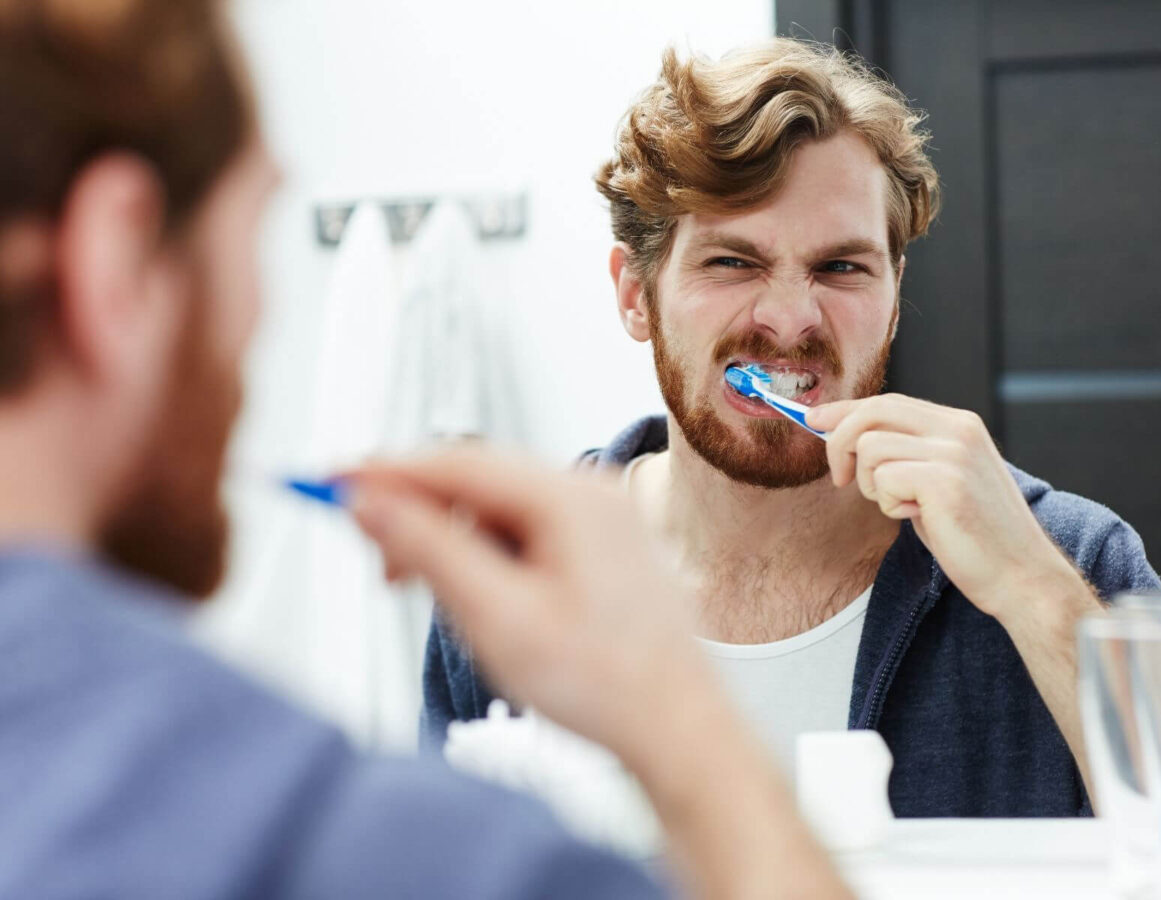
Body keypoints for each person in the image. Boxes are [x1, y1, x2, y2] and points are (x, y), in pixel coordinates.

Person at [0, 2, 851, 897]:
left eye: (843, 265)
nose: (259, 316)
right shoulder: (332, 845)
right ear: (117, 258)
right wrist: (685, 725)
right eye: (253, 232)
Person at [422, 38, 1161, 817]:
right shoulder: (503, 576)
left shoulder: (1073, 560)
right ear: (636, 295)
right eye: (732, 263)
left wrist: (1036, 593)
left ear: (895, 290)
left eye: (842, 268)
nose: (789, 319)